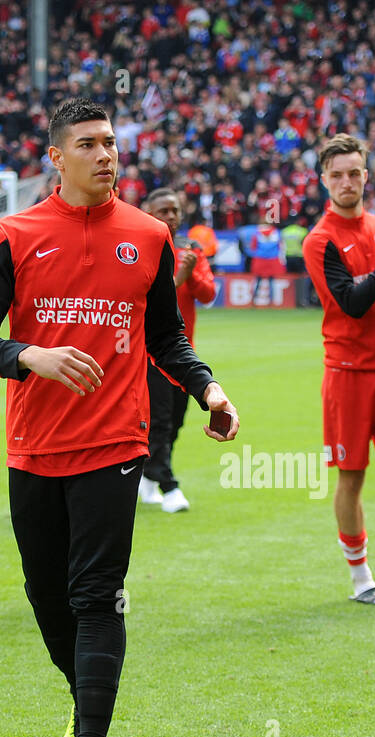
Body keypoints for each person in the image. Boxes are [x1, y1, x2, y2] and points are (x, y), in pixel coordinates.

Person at [0, 97, 240, 737]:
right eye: (88, 143)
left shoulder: (149, 235)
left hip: (116, 444)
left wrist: (208, 390)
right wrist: (30, 356)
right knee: (46, 596)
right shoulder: (14, 235)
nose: (105, 154)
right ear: (57, 157)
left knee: (96, 594)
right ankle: (82, 701)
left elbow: (166, 337)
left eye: (110, 142)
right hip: (34, 447)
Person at [302, 133, 375, 607]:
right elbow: (351, 302)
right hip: (348, 372)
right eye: (338, 175)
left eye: (355, 173)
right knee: (351, 478)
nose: (347, 181)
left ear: (366, 176)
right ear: (324, 180)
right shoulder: (320, 240)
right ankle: (360, 579)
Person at [138, 187, 217, 513]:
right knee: (159, 421)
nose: (170, 216)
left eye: (174, 210)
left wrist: (191, 275)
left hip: (183, 352)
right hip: (150, 353)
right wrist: (180, 277)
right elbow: (144, 301)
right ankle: (170, 487)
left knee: (176, 423)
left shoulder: (190, 248)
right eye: (162, 211)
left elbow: (209, 293)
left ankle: (148, 475)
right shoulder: (140, 248)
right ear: (148, 214)